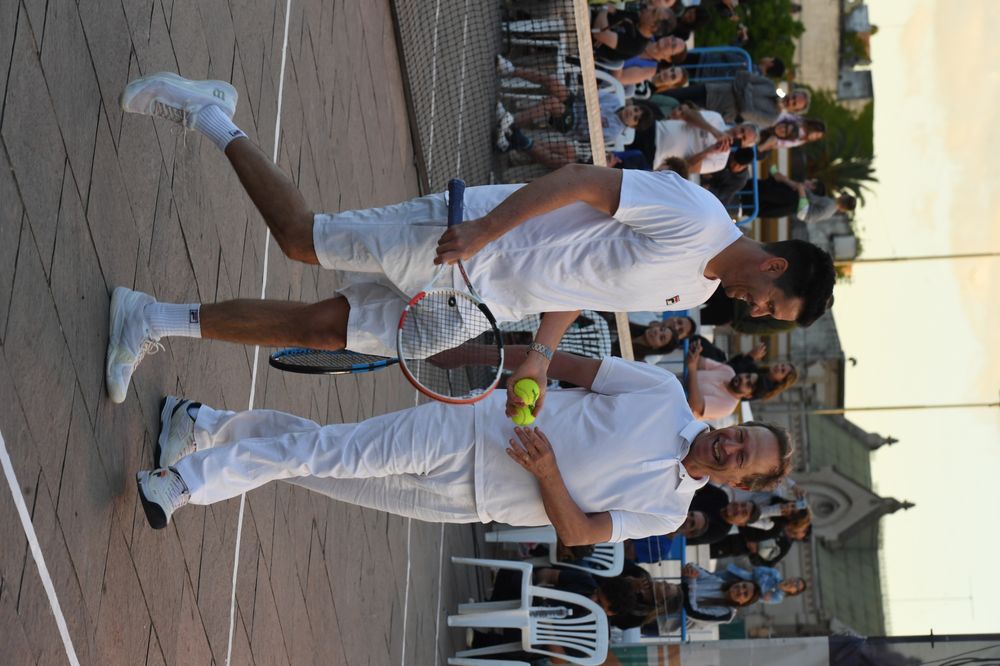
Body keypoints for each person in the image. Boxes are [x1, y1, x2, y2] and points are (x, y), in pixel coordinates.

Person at [106, 71, 836, 417]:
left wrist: (540, 359)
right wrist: (486, 228)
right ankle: (208, 112)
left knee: (322, 330)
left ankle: (150, 318)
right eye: (772, 303)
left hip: (478, 305)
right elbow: (582, 179)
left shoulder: (698, 292)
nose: (756, 310)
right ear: (775, 265)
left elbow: (574, 292)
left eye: (768, 315)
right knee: (303, 240)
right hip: (467, 242)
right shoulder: (696, 214)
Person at [134, 346, 793, 548]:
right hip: (471, 429)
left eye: (744, 456)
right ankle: (184, 482)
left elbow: (579, 533)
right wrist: (486, 358)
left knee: (318, 465)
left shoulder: (670, 512)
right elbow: (561, 363)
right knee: (327, 454)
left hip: (468, 500)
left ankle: (200, 420)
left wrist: (547, 474)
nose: (732, 443)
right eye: (744, 433)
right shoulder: (659, 391)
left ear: (738, 484)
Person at [662, 75, 810, 128]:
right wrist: (745, 93)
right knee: (670, 94)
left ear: (793, 110)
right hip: (712, 89)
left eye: (794, 103)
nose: (791, 100)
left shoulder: (771, 118)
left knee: (668, 115)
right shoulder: (769, 84)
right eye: (794, 96)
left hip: (712, 111)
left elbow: (746, 113)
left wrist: (746, 89)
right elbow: (741, 77)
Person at [684, 339, 772, 420]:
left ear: (748, 396)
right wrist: (695, 351)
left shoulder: (728, 406)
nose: (743, 379)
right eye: (747, 376)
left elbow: (695, 406)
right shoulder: (729, 371)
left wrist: (692, 368)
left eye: (748, 384)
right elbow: (700, 362)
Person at [681, 563, 760, 623]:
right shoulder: (719, 582)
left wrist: (691, 581)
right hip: (673, 593)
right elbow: (695, 568)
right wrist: (690, 570)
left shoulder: (727, 614)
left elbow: (692, 613)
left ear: (743, 603)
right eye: (743, 585)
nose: (741, 590)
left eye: (745, 594)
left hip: (673, 614)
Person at [720, 565, 807, 604]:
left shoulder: (777, 598)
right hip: (736, 576)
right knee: (712, 577)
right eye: (797, 580)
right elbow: (757, 570)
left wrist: (762, 578)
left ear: (793, 592)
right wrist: (760, 585)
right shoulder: (776, 574)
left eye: (797, 586)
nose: (794, 583)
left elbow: (759, 597)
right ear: (792, 577)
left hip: (740, 594)